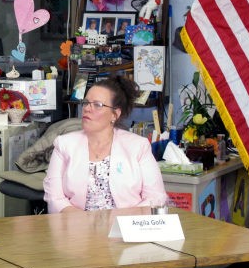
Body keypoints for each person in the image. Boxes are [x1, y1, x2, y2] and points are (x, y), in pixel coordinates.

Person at [43, 76, 166, 212]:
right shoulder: (64, 144)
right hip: (77, 226)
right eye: (86, 102)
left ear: (115, 114)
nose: (87, 109)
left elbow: (156, 197)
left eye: (97, 105)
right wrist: (83, 221)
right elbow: (54, 197)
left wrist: (121, 221)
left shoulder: (138, 146)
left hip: (125, 226)